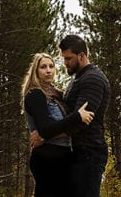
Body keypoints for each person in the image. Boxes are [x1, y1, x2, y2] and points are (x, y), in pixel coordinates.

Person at [30, 35, 110, 197]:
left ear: (82, 56)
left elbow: (81, 122)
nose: (65, 63)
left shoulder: (92, 79)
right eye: (64, 58)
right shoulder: (78, 78)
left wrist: (45, 136)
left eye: (68, 58)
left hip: (90, 152)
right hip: (77, 152)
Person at [22, 52, 94, 196]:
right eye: (43, 67)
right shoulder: (35, 94)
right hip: (47, 156)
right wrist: (77, 116)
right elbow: (45, 129)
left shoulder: (57, 95)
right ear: (36, 71)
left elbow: (52, 130)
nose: (48, 70)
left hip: (63, 155)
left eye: (51, 66)